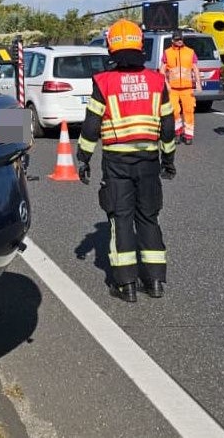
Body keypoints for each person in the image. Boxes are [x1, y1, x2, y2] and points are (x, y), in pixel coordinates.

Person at [77, 19, 176, 303]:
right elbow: (168, 125)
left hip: (117, 162)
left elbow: (91, 125)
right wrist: (169, 159)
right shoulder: (157, 81)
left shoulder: (104, 82)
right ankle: (155, 282)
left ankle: (126, 284)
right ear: (140, 45)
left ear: (111, 47)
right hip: (149, 161)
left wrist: (84, 158)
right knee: (148, 218)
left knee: (121, 219)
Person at [160, 29, 201, 144]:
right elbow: (162, 70)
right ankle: (177, 132)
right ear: (172, 40)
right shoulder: (167, 52)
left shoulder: (190, 52)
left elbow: (195, 69)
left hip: (187, 88)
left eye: (181, 39)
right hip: (173, 89)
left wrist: (198, 84)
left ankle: (188, 135)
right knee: (174, 111)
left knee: (189, 111)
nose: (179, 41)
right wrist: (167, 85)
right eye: (177, 39)